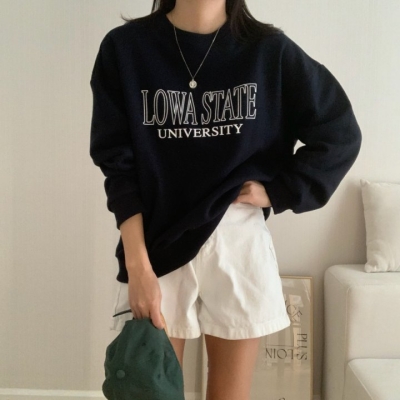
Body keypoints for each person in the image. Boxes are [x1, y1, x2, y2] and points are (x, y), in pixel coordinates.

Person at [89, 0, 362, 398]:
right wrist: (138, 267)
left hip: (238, 240)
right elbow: (118, 165)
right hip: (157, 243)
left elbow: (339, 132)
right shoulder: (126, 48)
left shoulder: (269, 52)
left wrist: (279, 190)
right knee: (150, 391)